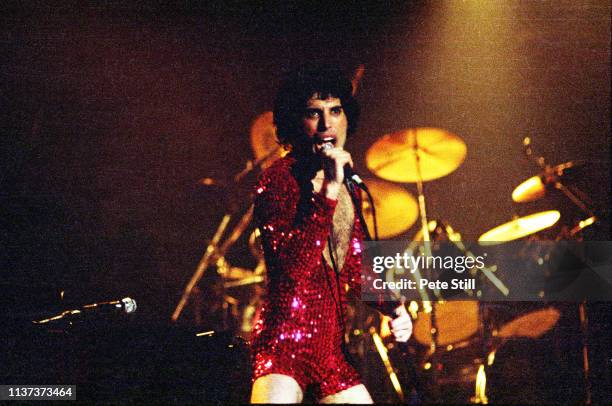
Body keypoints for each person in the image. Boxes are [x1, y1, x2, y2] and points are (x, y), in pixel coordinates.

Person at [250, 64, 412, 404]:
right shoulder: (277, 181)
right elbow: (295, 270)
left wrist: (393, 308)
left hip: (330, 350)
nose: (327, 124)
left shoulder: (346, 188)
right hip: (284, 342)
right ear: (296, 122)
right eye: (314, 113)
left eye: (335, 111)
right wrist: (328, 191)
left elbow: (353, 261)